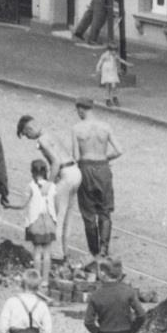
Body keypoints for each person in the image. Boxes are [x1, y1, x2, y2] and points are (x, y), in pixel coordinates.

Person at [71, 98, 122, 267]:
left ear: (80, 110)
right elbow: (119, 150)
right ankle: (103, 250)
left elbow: (76, 157)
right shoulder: (105, 127)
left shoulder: (77, 129)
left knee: (88, 213)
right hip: (103, 168)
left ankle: (93, 252)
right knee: (105, 211)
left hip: (85, 168)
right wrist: (104, 158)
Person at [21, 159, 58, 282]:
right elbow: (55, 204)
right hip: (49, 220)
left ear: (32, 171)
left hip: (36, 221)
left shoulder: (30, 186)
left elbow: (24, 204)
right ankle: (45, 280)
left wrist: (11, 206)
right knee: (47, 252)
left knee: (37, 252)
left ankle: (36, 279)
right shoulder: (52, 186)